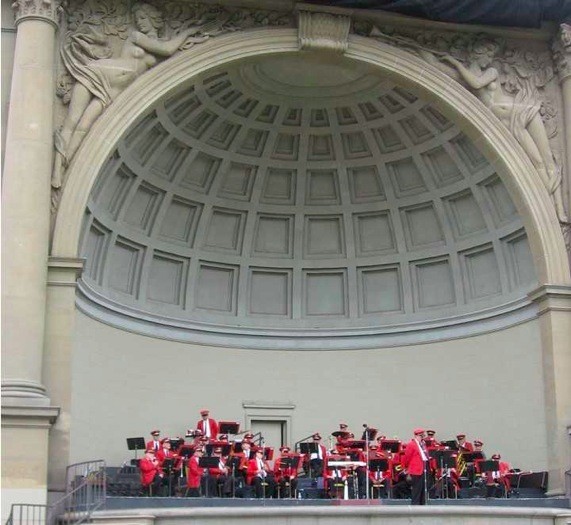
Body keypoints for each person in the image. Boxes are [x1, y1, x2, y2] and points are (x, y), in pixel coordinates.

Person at [53, 2, 211, 187]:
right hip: (98, 73)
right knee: (71, 121)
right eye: (137, 19)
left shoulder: (155, 41)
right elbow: (167, 49)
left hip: (114, 91)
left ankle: (65, 168)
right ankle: (56, 168)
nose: (140, 23)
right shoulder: (136, 36)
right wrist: (188, 32)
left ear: (155, 20)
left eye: (144, 18)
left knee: (83, 127)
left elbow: (167, 51)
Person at [430, 39, 567, 223]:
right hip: (509, 123)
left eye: (490, 57)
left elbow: (477, 84)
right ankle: (549, 206)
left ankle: (560, 209)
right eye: (487, 56)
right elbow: (432, 66)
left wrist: (454, 61)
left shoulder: (491, 71)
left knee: (547, 158)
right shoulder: (463, 75)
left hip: (522, 111)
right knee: (536, 162)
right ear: (476, 55)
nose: (489, 60)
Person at [402, 428, 430, 505]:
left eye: (423, 436)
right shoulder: (411, 444)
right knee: (417, 490)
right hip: (416, 470)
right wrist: (406, 468)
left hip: (424, 468)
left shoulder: (423, 444)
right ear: (416, 436)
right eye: (420, 436)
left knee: (424, 489)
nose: (422, 438)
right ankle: (415, 507)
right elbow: (407, 457)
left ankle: (423, 505)